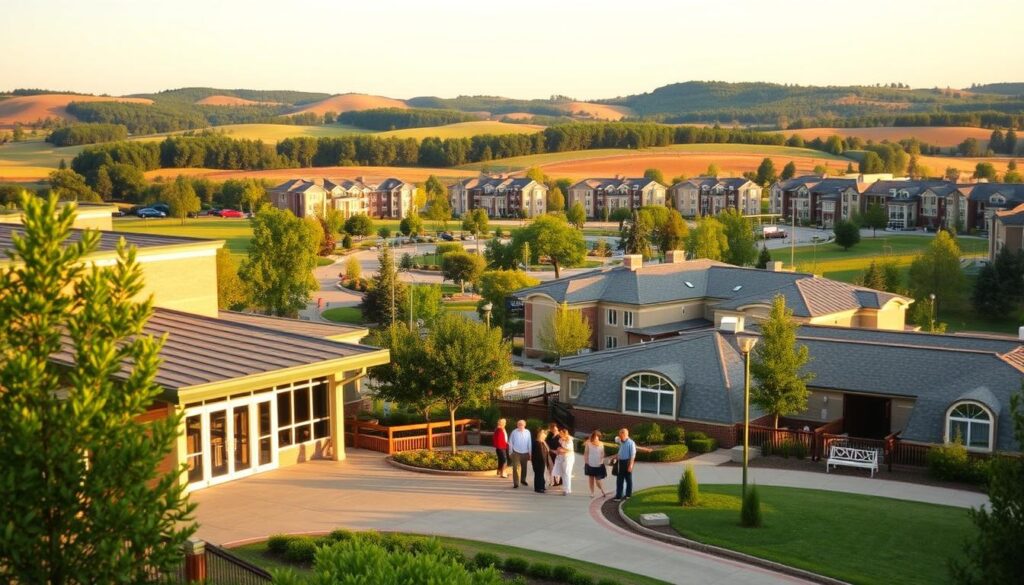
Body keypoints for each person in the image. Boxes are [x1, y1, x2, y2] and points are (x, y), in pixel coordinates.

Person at [613, 428, 636, 501]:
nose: (620, 437)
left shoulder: (631, 443)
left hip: (627, 462)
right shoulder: (620, 441)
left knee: (628, 479)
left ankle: (628, 495)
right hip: (621, 462)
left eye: (621, 435)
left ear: (626, 435)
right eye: (620, 435)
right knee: (619, 479)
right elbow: (616, 438)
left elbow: (632, 455)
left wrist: (631, 465)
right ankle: (618, 496)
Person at [583, 430, 608, 498]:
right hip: (590, 463)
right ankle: (592, 493)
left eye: (597, 437)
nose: (596, 438)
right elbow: (586, 453)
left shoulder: (601, 444)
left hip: (599, 464)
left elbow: (602, 453)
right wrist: (586, 462)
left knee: (598, 480)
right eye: (594, 437)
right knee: (591, 479)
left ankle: (602, 490)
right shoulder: (588, 443)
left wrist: (602, 460)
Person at [508, 419, 532, 488]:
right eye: (519, 424)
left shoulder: (527, 432)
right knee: (515, 468)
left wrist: (530, 453)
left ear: (525, 425)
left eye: (522, 425)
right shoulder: (514, 432)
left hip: (525, 452)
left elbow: (529, 443)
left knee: (524, 467)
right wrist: (510, 452)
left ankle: (523, 480)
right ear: (517, 425)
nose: (520, 426)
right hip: (516, 452)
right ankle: (516, 483)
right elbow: (510, 442)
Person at [552, 428, 575, 496]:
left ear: (565, 433)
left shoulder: (569, 440)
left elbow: (569, 450)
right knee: (563, 473)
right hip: (561, 457)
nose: (560, 434)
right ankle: (564, 488)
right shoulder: (560, 439)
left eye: (561, 433)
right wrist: (558, 450)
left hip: (568, 458)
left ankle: (567, 489)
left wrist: (561, 450)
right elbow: (559, 447)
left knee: (567, 473)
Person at [531, 429, 550, 493]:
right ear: (541, 436)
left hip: (542, 461)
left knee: (541, 474)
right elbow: (539, 454)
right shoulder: (537, 443)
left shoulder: (542, 443)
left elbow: (547, 450)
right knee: (538, 474)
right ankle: (538, 488)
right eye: (544, 437)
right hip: (538, 461)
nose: (545, 438)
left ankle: (542, 486)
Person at [545, 422, 562, 486]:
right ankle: (553, 481)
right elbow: (546, 442)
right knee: (551, 468)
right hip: (550, 453)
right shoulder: (550, 435)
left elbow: (561, 445)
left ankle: (559, 481)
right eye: (552, 429)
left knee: (557, 468)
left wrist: (556, 451)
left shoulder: (560, 436)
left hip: (557, 454)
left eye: (555, 429)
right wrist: (549, 449)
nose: (554, 430)